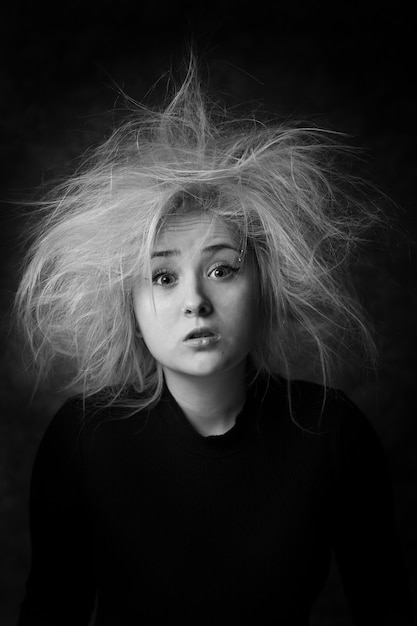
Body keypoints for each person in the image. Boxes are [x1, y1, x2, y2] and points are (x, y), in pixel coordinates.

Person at [15, 60, 413, 625]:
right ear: (127, 306)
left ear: (264, 284)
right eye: (162, 277)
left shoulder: (334, 434)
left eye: (222, 270)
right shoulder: (82, 441)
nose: (195, 300)